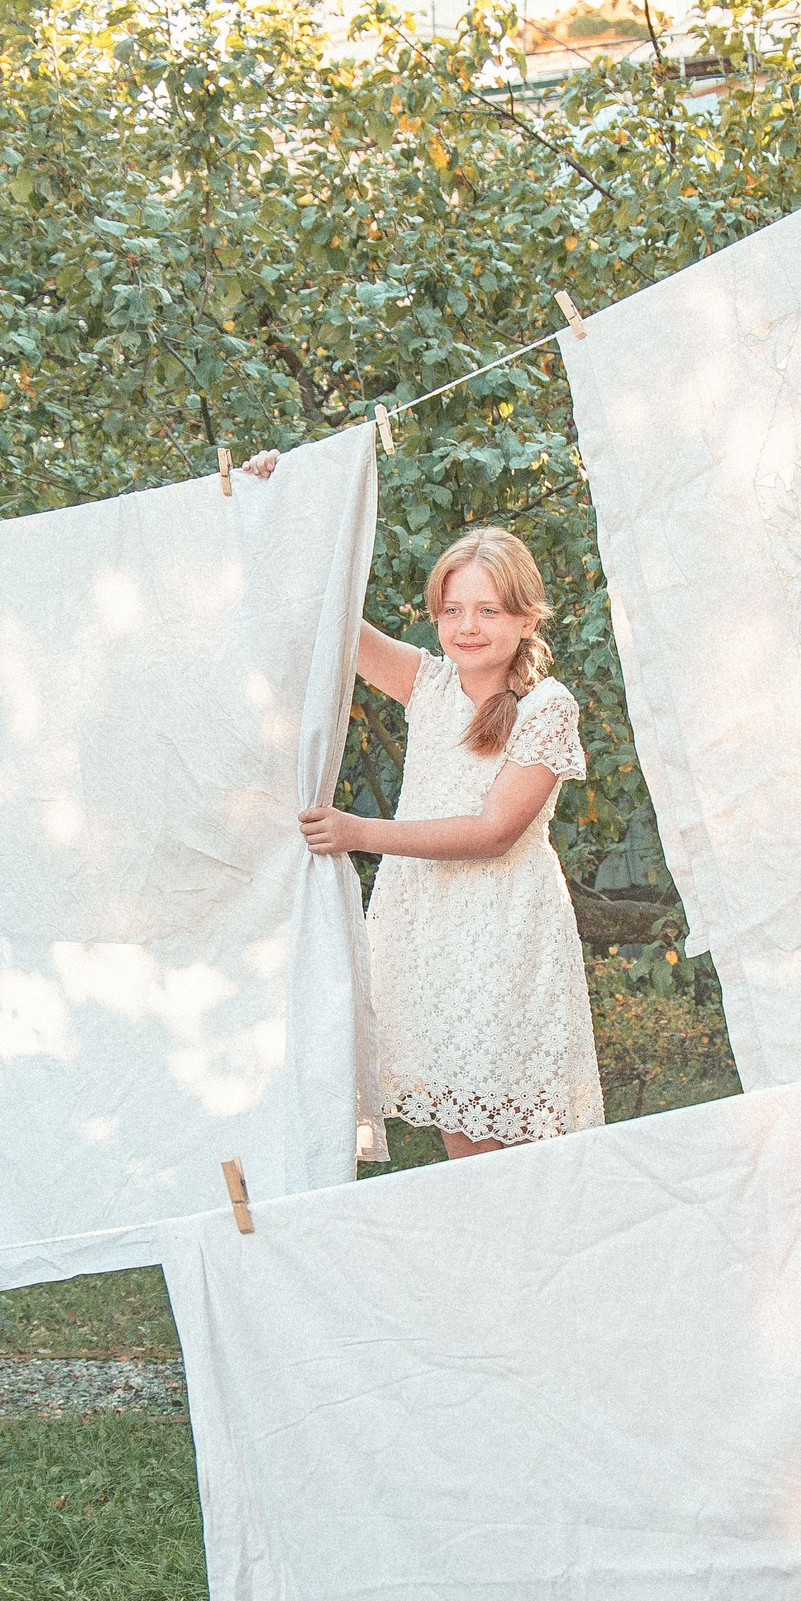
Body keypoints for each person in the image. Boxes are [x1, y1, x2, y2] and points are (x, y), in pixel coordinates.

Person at [244, 454, 604, 1159]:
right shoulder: (428, 685)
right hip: (430, 935)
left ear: (527, 618)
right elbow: (327, 615)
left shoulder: (546, 706)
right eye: (454, 609)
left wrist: (357, 831)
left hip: (506, 938)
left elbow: (492, 831)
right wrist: (287, 498)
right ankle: (489, 1268)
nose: (469, 626)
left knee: (525, 1150)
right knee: (463, 1143)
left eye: (489, 610)